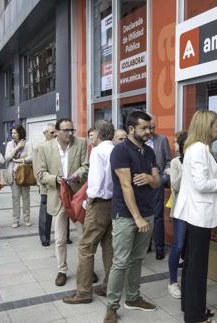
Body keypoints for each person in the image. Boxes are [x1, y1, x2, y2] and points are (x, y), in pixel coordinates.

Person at [173, 110, 217, 323]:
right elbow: (202, 184)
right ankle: (195, 316)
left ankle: (193, 308)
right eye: (216, 126)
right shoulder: (198, 150)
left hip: (196, 213)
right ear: (206, 126)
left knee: (192, 264)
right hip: (198, 214)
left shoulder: (198, 148)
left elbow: (201, 180)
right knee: (196, 266)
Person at [103, 111, 160, 323]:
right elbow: (126, 186)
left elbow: (156, 182)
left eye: (150, 128)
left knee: (137, 259)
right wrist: (137, 218)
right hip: (126, 216)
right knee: (121, 261)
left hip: (148, 212)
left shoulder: (149, 151)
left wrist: (149, 178)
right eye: (144, 128)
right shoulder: (120, 151)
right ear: (131, 129)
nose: (149, 131)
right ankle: (112, 306)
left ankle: (133, 298)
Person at [63, 120, 115, 304]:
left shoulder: (98, 152)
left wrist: (88, 201)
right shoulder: (115, 149)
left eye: (93, 133)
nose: (90, 136)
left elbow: (95, 182)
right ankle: (109, 286)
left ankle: (83, 292)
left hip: (98, 203)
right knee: (109, 247)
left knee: (86, 247)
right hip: (113, 203)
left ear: (99, 134)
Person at [37, 118, 89, 287]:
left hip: (77, 196)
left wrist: (77, 174)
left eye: (71, 130)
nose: (69, 133)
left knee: (84, 236)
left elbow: (86, 166)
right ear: (57, 132)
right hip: (58, 196)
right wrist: (55, 179)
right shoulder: (45, 148)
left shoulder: (81, 143)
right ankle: (62, 270)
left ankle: (86, 268)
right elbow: (40, 173)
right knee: (60, 239)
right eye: (66, 130)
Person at [146, 116, 172, 260]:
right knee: (144, 215)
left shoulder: (161, 140)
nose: (150, 131)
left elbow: (168, 160)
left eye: (153, 127)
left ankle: (160, 248)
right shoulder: (138, 141)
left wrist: (164, 178)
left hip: (157, 183)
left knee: (157, 216)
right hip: (141, 184)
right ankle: (146, 244)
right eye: (148, 127)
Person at [166, 130, 187, 299]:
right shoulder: (176, 162)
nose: (175, 145)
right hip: (180, 209)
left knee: (191, 246)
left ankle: (189, 280)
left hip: (196, 210)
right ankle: (173, 282)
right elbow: (176, 186)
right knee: (178, 245)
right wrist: (186, 166)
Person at [5, 124, 33, 228]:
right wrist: (17, 147)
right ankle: (15, 220)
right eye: (12, 133)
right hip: (13, 174)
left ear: (20, 133)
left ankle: (27, 219)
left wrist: (20, 160)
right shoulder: (9, 144)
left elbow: (31, 158)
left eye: (15, 133)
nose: (13, 135)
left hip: (24, 174)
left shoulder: (28, 144)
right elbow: (7, 158)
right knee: (15, 198)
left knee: (26, 197)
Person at [33, 123, 56, 246]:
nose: (54, 134)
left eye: (55, 132)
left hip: (58, 183)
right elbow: (36, 168)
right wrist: (40, 183)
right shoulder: (39, 147)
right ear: (45, 133)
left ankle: (65, 235)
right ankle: (44, 238)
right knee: (45, 212)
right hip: (45, 185)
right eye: (51, 132)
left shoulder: (59, 145)